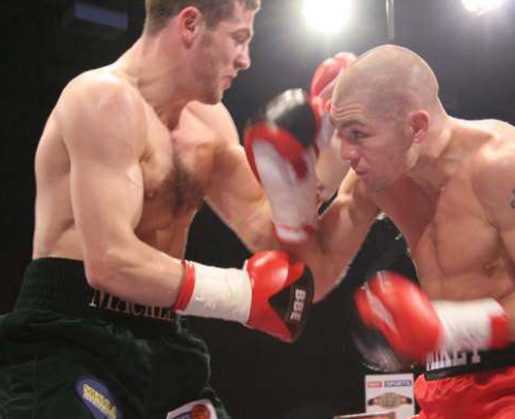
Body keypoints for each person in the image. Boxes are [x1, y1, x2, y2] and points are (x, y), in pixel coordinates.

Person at [0, 1, 347, 418]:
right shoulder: (102, 99)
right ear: (190, 24)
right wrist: (239, 295)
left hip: (162, 335)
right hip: (71, 335)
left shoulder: (210, 121)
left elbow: (272, 234)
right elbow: (110, 261)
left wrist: (328, 157)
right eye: (239, 39)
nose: (246, 59)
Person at [248, 44, 515, 418]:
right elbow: (315, 279)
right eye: (341, 134)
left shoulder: (505, 166)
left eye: (359, 134)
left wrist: (445, 327)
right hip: (443, 386)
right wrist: (288, 195)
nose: (348, 154)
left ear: (416, 126)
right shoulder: (373, 182)